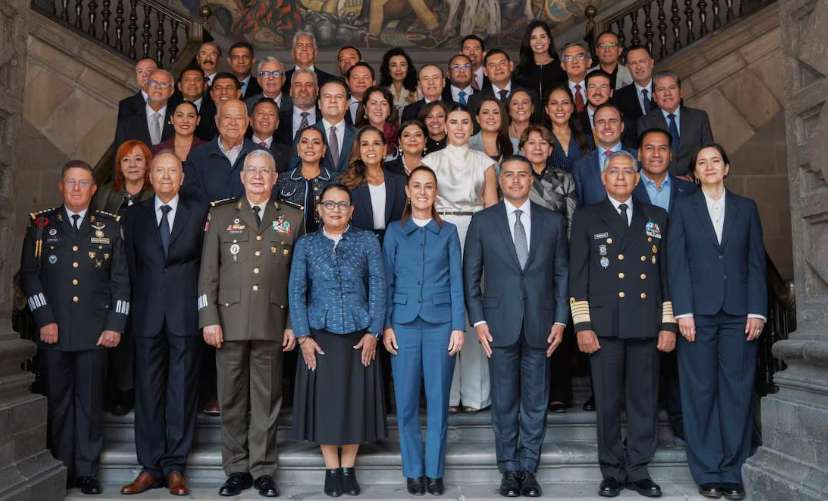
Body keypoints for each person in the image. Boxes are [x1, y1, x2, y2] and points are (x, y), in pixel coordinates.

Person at [569, 150, 676, 498]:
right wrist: (582, 325)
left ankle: (639, 468)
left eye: (627, 171)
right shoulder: (586, 217)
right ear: (603, 178)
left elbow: (666, 275)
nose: (620, 176)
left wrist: (668, 324)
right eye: (613, 171)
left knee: (644, 401)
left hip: (646, 322)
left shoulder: (656, 216)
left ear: (636, 177)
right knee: (608, 402)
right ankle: (612, 470)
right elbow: (577, 276)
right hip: (604, 325)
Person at [198, 150, 304, 498]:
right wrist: (209, 319)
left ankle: (262, 469)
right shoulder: (221, 214)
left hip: (272, 320)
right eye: (252, 171)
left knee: (267, 399)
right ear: (242, 177)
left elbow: (298, 279)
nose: (258, 176)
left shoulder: (292, 217)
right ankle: (236, 468)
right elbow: (208, 274)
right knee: (230, 398)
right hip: (228, 323)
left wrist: (292, 323)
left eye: (265, 171)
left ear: (275, 178)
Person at [20, 160, 130, 495]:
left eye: (83, 183)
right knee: (58, 402)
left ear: (94, 189)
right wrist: (44, 319)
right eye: (71, 182)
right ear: (61, 186)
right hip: (53, 331)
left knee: (90, 403)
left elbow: (121, 281)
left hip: (95, 332)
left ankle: (86, 471)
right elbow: (30, 276)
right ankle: (61, 468)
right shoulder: (42, 225)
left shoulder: (109, 226)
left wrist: (115, 324)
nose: (77, 188)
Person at [464, 155, 569, 498]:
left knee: (535, 402)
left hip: (541, 324)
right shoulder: (483, 221)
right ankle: (509, 469)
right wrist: (478, 320)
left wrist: (561, 319)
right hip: (498, 325)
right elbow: (471, 276)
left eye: (522, 175)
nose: (515, 180)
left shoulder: (553, 221)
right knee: (504, 401)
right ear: (500, 180)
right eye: (508, 175)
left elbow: (562, 274)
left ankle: (528, 468)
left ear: (530, 180)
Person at [667, 144, 767, 501]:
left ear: (726, 168)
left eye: (715, 161)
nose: (709, 166)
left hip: (740, 315)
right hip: (698, 315)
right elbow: (676, 262)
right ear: (695, 173)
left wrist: (758, 310)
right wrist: (682, 312)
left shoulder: (746, 208)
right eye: (702, 162)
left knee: (737, 392)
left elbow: (755, 261)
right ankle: (708, 471)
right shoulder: (682, 208)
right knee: (700, 392)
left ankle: (733, 470)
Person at [289, 184, 387, 497]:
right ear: (319, 210)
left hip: (359, 335)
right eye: (329, 204)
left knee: (355, 402)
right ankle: (331, 469)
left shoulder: (367, 241)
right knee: (326, 405)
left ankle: (348, 468)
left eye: (342, 204)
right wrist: (303, 336)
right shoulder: (306, 244)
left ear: (351, 210)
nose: (336, 210)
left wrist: (374, 331)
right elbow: (296, 291)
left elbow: (379, 287)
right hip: (320, 335)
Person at [119, 152, 208, 497]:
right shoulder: (134, 216)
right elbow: (128, 267)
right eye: (160, 171)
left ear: (182, 178)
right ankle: (150, 467)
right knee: (147, 392)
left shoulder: (199, 211)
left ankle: (175, 467)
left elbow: (207, 265)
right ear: (150, 177)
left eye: (173, 171)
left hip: (185, 313)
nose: (167, 176)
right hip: (147, 314)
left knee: (181, 392)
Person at [382, 166, 465, 496]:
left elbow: (457, 282)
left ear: (435, 192)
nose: (422, 192)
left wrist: (458, 326)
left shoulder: (448, 232)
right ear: (407, 191)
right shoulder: (394, 231)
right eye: (416, 186)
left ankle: (434, 471)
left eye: (428, 186)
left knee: (438, 400)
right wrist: (386, 325)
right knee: (405, 402)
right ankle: (413, 471)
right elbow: (386, 281)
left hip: (440, 325)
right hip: (402, 324)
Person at [422, 105, 498, 414]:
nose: (458, 127)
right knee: (444, 307)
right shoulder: (430, 161)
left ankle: (476, 395)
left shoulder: (485, 162)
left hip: (476, 228)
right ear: (443, 125)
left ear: (473, 126)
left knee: (474, 305)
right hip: (440, 228)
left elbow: (492, 207)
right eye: (452, 121)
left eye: (465, 121)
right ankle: (448, 395)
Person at [632, 127, 697, 442]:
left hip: (681, 283)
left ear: (671, 155)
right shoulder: (627, 189)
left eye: (662, 148)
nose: (655, 154)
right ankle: (641, 429)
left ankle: (682, 421)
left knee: (679, 359)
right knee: (643, 360)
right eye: (649, 147)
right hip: (639, 285)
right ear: (639, 154)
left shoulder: (690, 190)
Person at [519, 126, 578, 414]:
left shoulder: (563, 178)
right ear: (522, 147)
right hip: (521, 260)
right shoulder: (516, 175)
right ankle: (527, 391)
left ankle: (559, 392)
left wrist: (564, 254)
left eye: (543, 143)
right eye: (531, 143)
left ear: (551, 149)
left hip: (556, 257)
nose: (537, 147)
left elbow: (572, 219)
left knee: (558, 322)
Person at [183, 99, 264, 206]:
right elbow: (191, 199)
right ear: (217, 120)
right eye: (227, 117)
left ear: (247, 121)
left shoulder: (262, 156)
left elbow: (268, 196)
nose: (233, 123)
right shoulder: (198, 156)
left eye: (239, 118)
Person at [637, 71, 714, 177]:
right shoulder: (645, 122)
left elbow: (709, 153)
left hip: (696, 180)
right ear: (654, 97)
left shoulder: (699, 117)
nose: (667, 93)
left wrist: (690, 177)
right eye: (661, 89)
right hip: (661, 182)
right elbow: (645, 159)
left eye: (672, 88)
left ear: (680, 92)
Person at [340, 126, 407, 239]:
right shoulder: (346, 183)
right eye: (365, 144)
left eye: (376, 143)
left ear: (384, 149)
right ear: (358, 150)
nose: (370, 148)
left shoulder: (401, 182)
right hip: (358, 244)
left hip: (394, 243)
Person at [572, 104, 635, 206]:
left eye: (612, 121)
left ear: (622, 127)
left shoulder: (638, 159)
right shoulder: (580, 166)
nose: (607, 126)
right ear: (594, 129)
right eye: (601, 122)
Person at [275, 127, 335, 234]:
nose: (310, 146)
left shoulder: (336, 181)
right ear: (298, 148)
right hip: (289, 240)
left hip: (327, 241)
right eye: (304, 141)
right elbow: (274, 217)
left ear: (323, 150)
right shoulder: (282, 180)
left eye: (316, 142)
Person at [291, 79, 356, 174]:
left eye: (338, 97)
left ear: (347, 104)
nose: (333, 101)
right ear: (319, 104)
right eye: (327, 96)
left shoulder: (358, 135)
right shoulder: (303, 134)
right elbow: (293, 171)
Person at [513, 19, 567, 120]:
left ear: (549, 40)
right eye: (533, 38)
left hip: (558, 121)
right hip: (527, 123)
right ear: (528, 42)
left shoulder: (561, 68)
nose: (539, 41)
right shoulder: (520, 71)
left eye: (543, 36)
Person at [115, 68, 174, 148]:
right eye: (153, 82)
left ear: (171, 91)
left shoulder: (179, 120)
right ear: (146, 87)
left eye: (163, 84)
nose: (158, 87)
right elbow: (120, 152)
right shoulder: (127, 122)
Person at [95, 140, 154, 217]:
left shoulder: (157, 193)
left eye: (138, 159)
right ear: (120, 166)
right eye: (126, 160)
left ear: (147, 164)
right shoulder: (105, 192)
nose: (132, 165)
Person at [614, 45, 657, 148]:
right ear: (628, 67)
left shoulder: (666, 90)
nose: (638, 67)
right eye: (633, 63)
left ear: (651, 63)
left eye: (642, 61)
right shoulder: (619, 97)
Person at [544, 85, 592, 173]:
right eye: (554, 103)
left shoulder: (587, 139)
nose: (559, 108)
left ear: (572, 108)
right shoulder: (540, 139)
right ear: (547, 109)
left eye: (565, 103)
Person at [467, 49, 526, 114]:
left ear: (511, 66)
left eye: (502, 63)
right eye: (492, 65)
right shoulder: (475, 100)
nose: (498, 68)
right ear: (485, 71)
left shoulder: (528, 94)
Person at [277, 69, 322, 145]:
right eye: (298, 85)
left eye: (308, 85)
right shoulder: (278, 119)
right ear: (291, 91)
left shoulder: (326, 119)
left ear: (317, 90)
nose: (303, 89)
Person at [197, 72, 242, 142]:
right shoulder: (201, 120)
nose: (224, 92)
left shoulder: (246, 119)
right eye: (218, 88)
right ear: (211, 94)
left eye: (229, 88)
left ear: (238, 93)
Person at [356, 86, 399, 157]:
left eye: (384, 104)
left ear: (389, 111)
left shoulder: (400, 136)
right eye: (373, 103)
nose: (378, 108)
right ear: (365, 109)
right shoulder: (354, 136)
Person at [248, 98, 290, 170]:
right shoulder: (239, 148)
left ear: (277, 124)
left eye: (271, 114)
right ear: (251, 120)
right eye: (260, 113)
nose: (265, 117)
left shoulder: (288, 153)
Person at [469, 97, 513, 162]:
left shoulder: (516, 145)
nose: (491, 117)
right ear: (477, 119)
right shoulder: (467, 144)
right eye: (485, 112)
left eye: (496, 113)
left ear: (502, 117)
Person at [379, 47, 418, 119]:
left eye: (402, 65)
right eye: (393, 65)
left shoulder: (418, 90)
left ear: (408, 68)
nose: (398, 69)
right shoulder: (380, 91)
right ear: (387, 68)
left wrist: (416, 105)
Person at [579, 70, 614, 139]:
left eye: (603, 87)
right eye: (592, 87)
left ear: (611, 92)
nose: (597, 92)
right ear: (585, 92)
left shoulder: (625, 122)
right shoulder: (574, 122)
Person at [560, 42, 592, 114]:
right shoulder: (558, 90)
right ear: (563, 65)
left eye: (580, 57)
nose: (574, 61)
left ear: (589, 62)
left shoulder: (600, 87)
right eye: (569, 58)